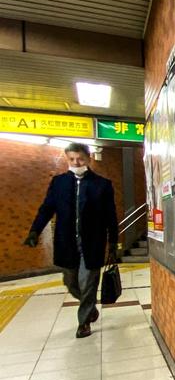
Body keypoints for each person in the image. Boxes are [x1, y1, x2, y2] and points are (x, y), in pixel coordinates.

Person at [24, 143, 118, 338]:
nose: (76, 162)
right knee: (70, 281)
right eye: (72, 159)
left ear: (88, 158)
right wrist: (34, 231)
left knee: (88, 283)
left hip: (92, 243)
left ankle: (83, 323)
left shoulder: (102, 184)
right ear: (67, 159)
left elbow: (111, 216)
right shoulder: (59, 183)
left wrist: (113, 244)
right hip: (66, 243)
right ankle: (90, 308)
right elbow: (47, 208)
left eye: (80, 159)